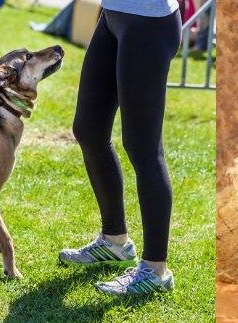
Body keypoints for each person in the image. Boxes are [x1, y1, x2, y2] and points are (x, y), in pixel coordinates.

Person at [58, 0, 182, 296]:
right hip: (114, 15)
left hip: (148, 23)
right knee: (88, 129)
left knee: (143, 147)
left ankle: (156, 270)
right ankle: (115, 241)